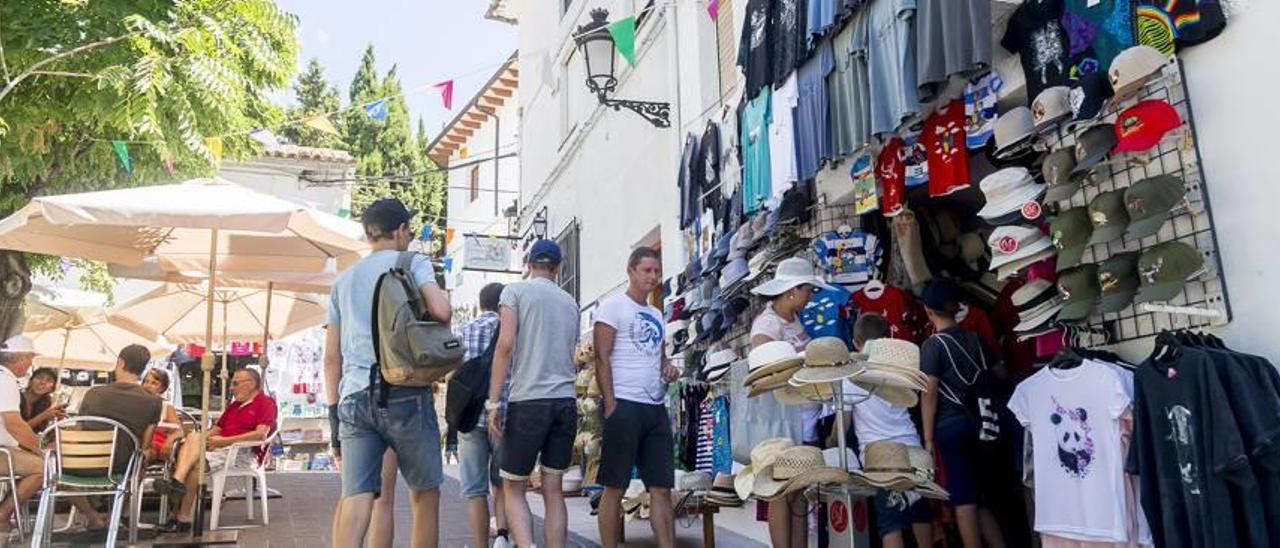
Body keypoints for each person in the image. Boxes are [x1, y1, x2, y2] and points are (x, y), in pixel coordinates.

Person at [326, 197, 452, 548]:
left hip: (353, 397)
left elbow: (330, 358)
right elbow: (441, 311)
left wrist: (334, 412)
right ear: (400, 230)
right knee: (425, 494)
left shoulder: (344, 281)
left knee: (358, 496)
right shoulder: (411, 262)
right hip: (406, 392)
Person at [486, 240, 580, 548]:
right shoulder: (570, 303)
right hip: (564, 401)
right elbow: (572, 355)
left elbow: (505, 345)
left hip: (528, 401)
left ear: (528, 264)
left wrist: (493, 401)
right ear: (558, 267)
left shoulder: (514, 293)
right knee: (553, 489)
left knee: (514, 488)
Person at [593, 247, 679, 548]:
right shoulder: (612, 307)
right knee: (614, 487)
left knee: (661, 487)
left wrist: (669, 369)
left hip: (654, 408)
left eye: (657, 271)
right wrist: (612, 404)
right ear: (631, 271)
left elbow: (659, 357)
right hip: (624, 405)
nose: (653, 276)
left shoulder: (657, 313)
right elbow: (601, 358)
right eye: (647, 270)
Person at [748, 256, 835, 548]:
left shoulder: (793, 319)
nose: (811, 295)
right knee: (782, 491)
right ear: (793, 291)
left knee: (797, 488)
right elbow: (764, 367)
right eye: (808, 289)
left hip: (803, 417)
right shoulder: (767, 324)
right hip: (782, 420)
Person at [918, 279, 1003, 548]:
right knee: (977, 497)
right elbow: (1000, 373)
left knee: (963, 500)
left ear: (928, 311)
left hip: (950, 428)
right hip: (983, 423)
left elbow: (929, 393)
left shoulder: (932, 346)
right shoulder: (976, 339)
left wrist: (928, 439)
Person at [847, 314, 933, 548]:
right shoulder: (901, 367)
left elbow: (843, 424)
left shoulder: (851, 376)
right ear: (888, 339)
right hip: (912, 449)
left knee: (891, 523)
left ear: (855, 343)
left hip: (879, 457)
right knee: (920, 513)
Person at [156, 368, 277, 532]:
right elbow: (216, 430)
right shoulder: (234, 405)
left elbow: (261, 434)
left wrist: (223, 442)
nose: (231, 388)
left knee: (194, 465)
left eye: (235, 383)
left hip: (240, 451)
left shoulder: (266, 402)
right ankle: (179, 495)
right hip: (219, 448)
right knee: (193, 438)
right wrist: (200, 439)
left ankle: (181, 511)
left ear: (251, 384)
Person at [73, 344, 164, 529]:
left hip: (81, 464)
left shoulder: (93, 394)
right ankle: (120, 513)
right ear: (143, 368)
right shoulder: (154, 401)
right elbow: (144, 445)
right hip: (122, 466)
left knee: (53, 470)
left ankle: (93, 516)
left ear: (120, 362)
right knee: (141, 459)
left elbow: (78, 432)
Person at [456, 282, 509, 548]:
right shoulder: (512, 329)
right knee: (504, 483)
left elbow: (454, 372)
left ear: (480, 304)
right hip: (504, 415)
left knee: (475, 489)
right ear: (503, 305)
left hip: (469, 416)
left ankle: (480, 545)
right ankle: (502, 537)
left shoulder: (464, 331)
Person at [0, 336, 46, 536]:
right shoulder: (5, 380)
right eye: (30, 358)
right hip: (2, 452)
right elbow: (14, 424)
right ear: (19, 358)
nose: (30, 364)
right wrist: (41, 448)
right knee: (44, 468)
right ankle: (2, 515)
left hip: (6, 449)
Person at [141, 369, 184, 462]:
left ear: (162, 388)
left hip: (158, 447)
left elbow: (180, 431)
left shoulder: (166, 407)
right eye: (146, 381)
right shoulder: (137, 404)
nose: (148, 385)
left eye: (154, 383)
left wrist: (170, 440)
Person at [21, 367, 63, 432]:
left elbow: (41, 430)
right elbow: (19, 428)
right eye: (39, 377)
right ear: (30, 381)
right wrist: (44, 415)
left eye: (49, 380)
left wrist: (56, 419)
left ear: (52, 389)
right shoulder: (16, 397)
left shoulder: (46, 401)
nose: (43, 382)